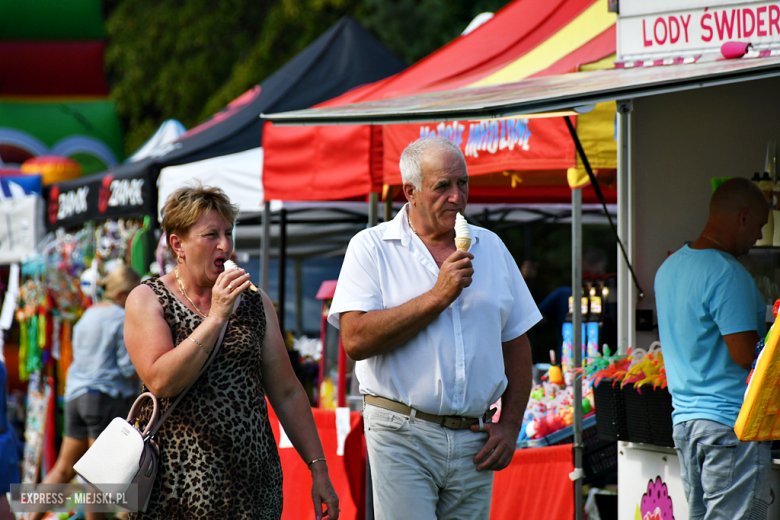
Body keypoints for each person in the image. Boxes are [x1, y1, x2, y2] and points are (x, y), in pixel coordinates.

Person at [329, 137, 541, 520]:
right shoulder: (371, 247)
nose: (457, 197)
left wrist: (510, 426)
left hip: (475, 438)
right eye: (442, 186)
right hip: (401, 432)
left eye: (463, 184)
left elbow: (517, 344)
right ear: (410, 192)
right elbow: (355, 340)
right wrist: (437, 297)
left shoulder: (491, 247)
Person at [124, 184, 338, 520]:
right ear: (178, 244)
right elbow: (161, 380)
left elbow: (286, 392)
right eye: (211, 235)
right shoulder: (148, 298)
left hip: (253, 488)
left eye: (228, 233)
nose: (225, 245)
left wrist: (319, 468)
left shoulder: (255, 300)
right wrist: (218, 316)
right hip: (177, 489)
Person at [655, 177, 771, 520]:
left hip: (686, 424)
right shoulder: (727, 273)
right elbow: (745, 355)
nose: (760, 237)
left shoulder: (669, 267)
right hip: (728, 425)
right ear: (743, 217)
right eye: (760, 226)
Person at [29, 265, 142, 520]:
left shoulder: (87, 315)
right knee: (98, 474)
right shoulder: (120, 317)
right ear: (124, 293)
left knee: (63, 469)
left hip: (75, 396)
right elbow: (126, 367)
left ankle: (28, 518)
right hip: (104, 398)